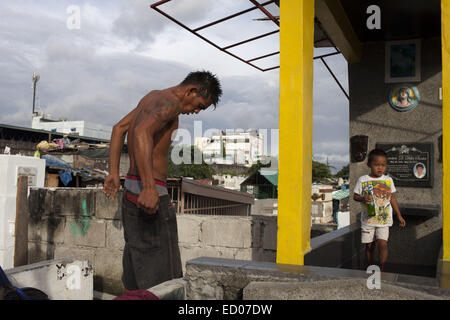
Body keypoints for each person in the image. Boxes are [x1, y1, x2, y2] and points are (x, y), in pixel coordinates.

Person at [102, 71, 222, 290]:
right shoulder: (171, 103)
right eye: (199, 106)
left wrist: (113, 172)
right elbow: (140, 132)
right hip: (150, 194)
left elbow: (119, 129)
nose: (196, 112)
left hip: (130, 191)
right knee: (164, 280)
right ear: (191, 90)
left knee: (137, 269)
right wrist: (149, 188)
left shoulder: (153, 97)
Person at [353, 148, 406, 272]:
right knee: (370, 246)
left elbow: (392, 198)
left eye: (383, 165)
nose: (380, 168)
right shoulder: (363, 179)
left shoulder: (388, 180)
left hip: (384, 220)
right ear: (369, 165)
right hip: (368, 221)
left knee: (383, 244)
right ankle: (370, 267)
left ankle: (382, 269)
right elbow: (355, 196)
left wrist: (399, 215)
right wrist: (362, 198)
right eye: (377, 165)